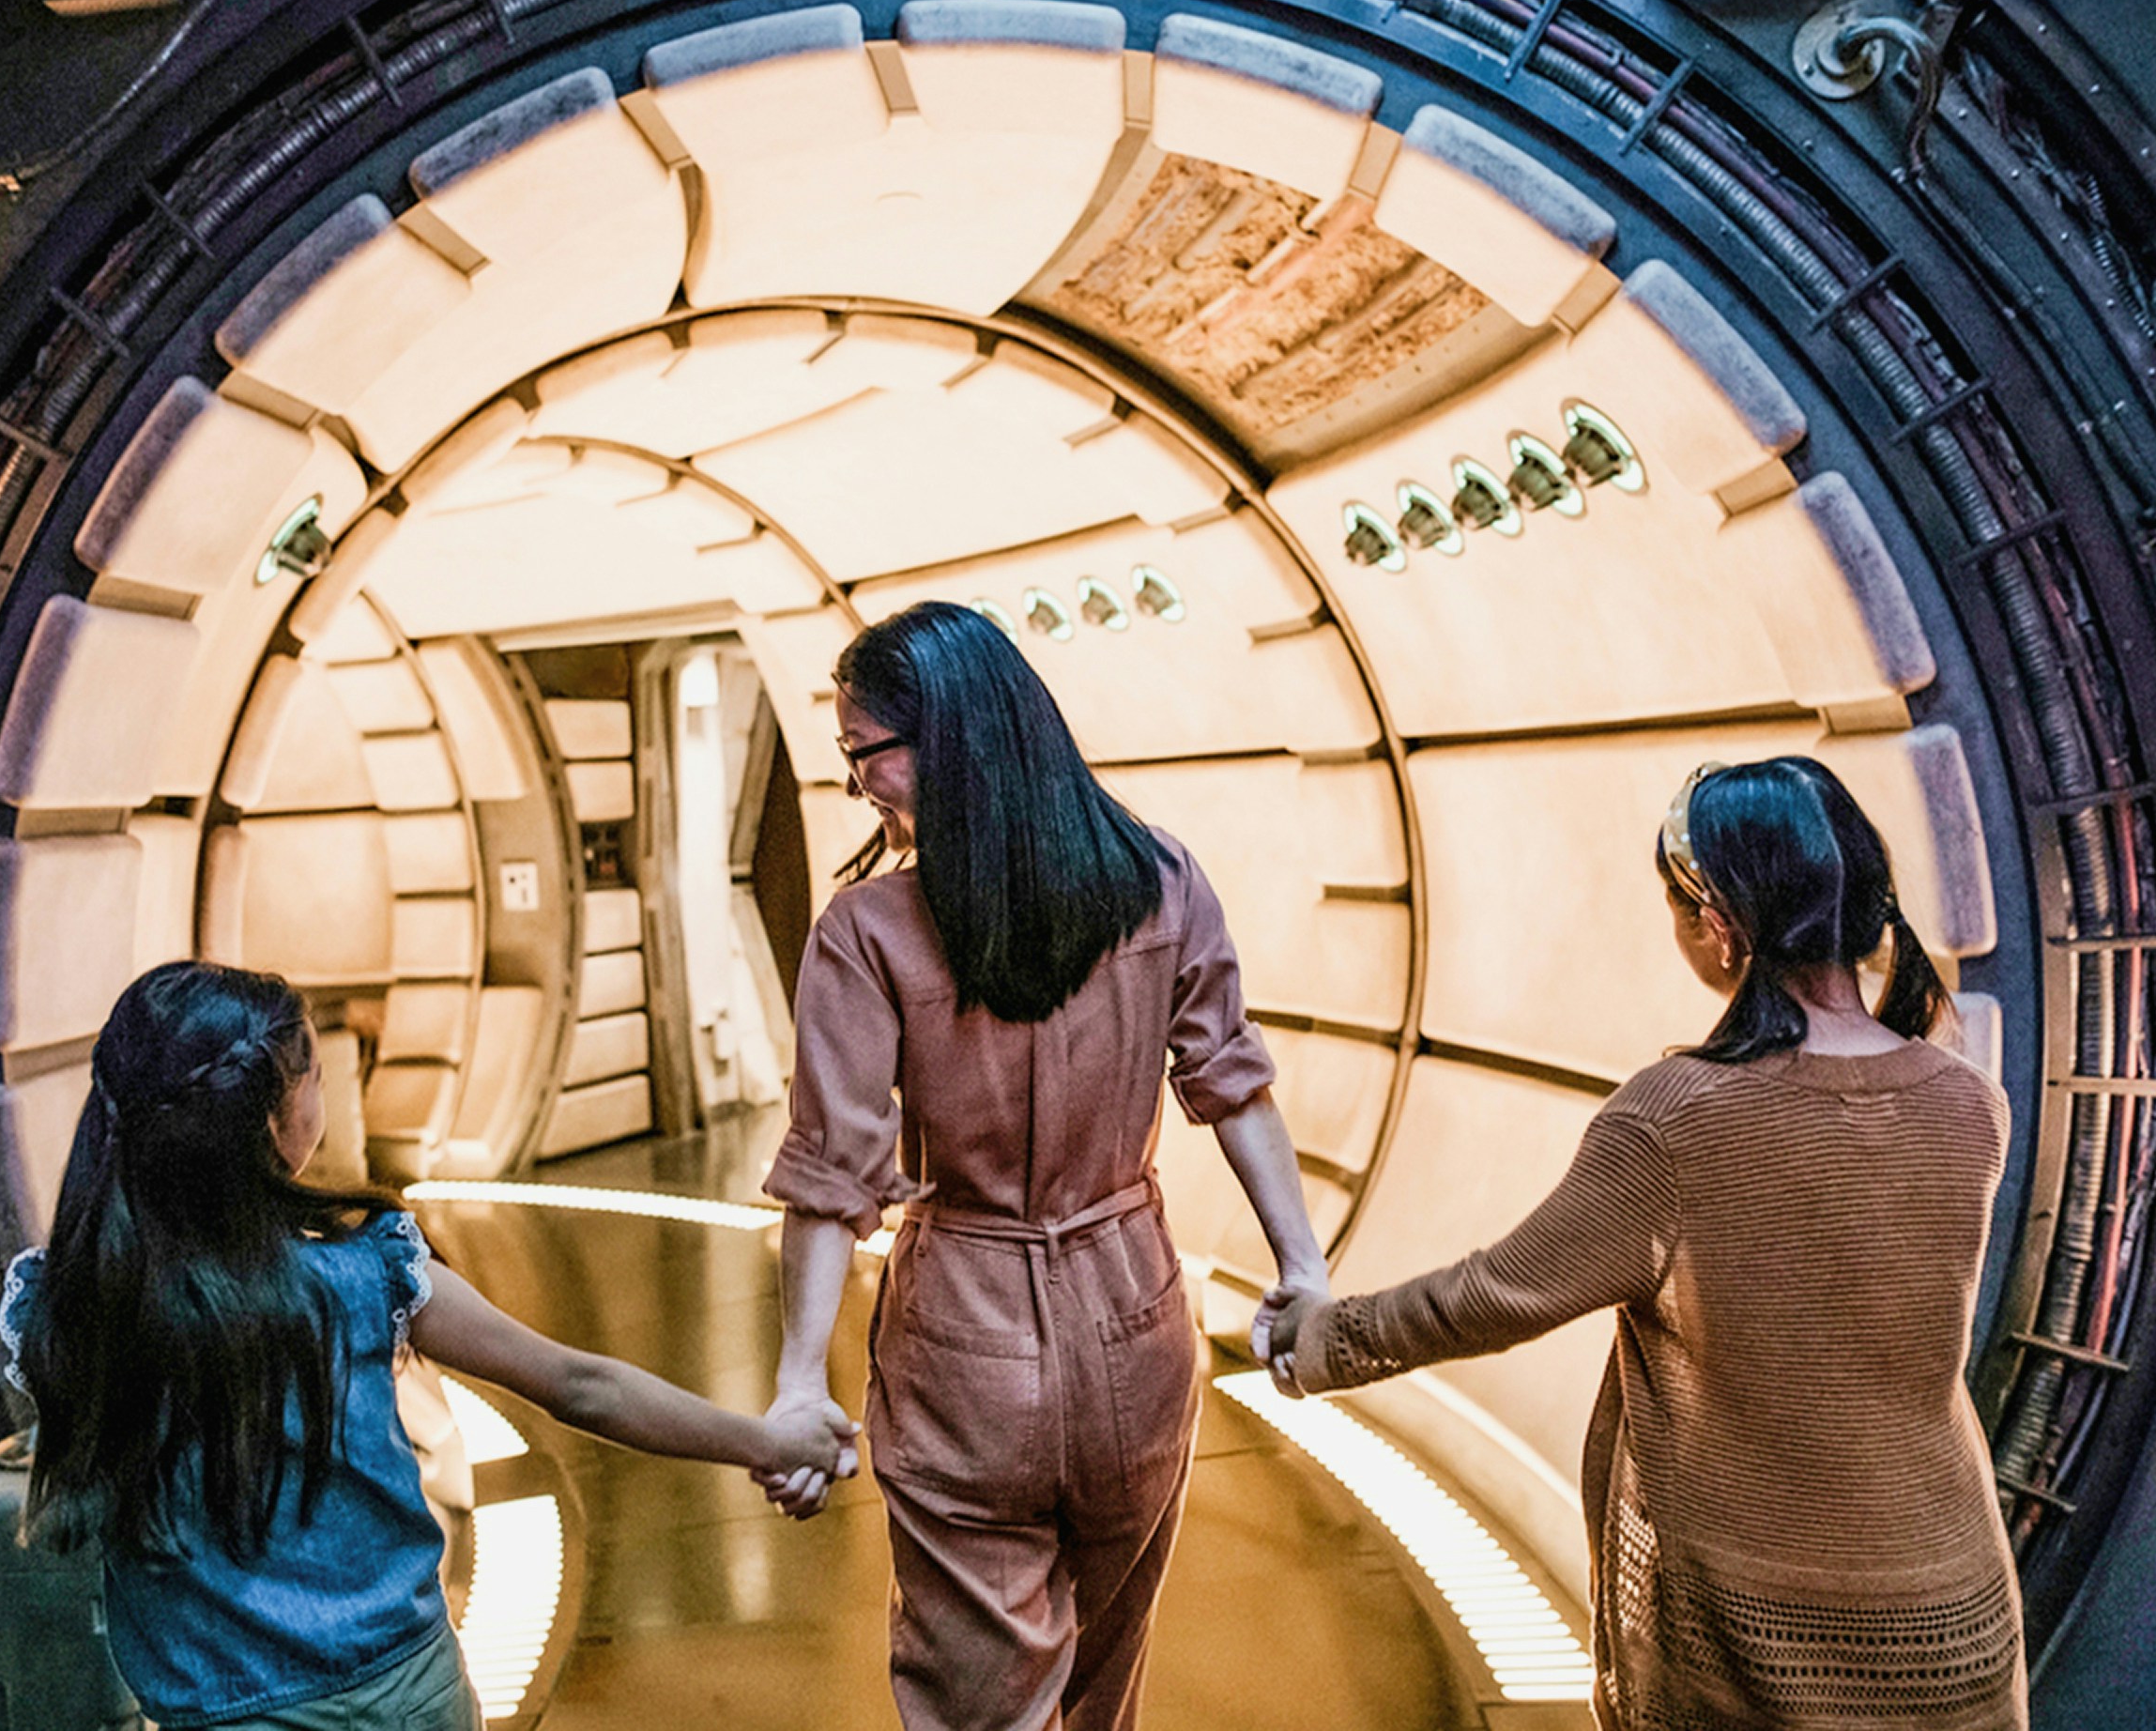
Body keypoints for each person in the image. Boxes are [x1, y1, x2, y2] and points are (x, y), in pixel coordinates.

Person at [1262, 757, 2027, 1731]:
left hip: (1760, 1645)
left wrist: (1322, 1338)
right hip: (1954, 1619)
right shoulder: (1969, 1102)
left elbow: (1494, 1294)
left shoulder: (1673, 1121)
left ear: (1716, 923)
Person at [3, 960, 854, 1731]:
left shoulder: (60, 1309)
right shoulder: (366, 1270)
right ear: (274, 1121)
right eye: (318, 1078)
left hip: (215, 1710)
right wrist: (772, 1442)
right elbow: (579, 1384)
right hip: (403, 1697)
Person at [757, 600, 1333, 1731]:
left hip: (961, 1344)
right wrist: (1300, 1262)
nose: (858, 783)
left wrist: (795, 1377)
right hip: (1137, 1322)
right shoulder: (1159, 877)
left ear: (942, 742)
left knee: (980, 1702)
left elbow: (833, 1179)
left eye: (861, 754)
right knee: (1102, 1683)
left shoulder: (869, 930)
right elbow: (1230, 1082)